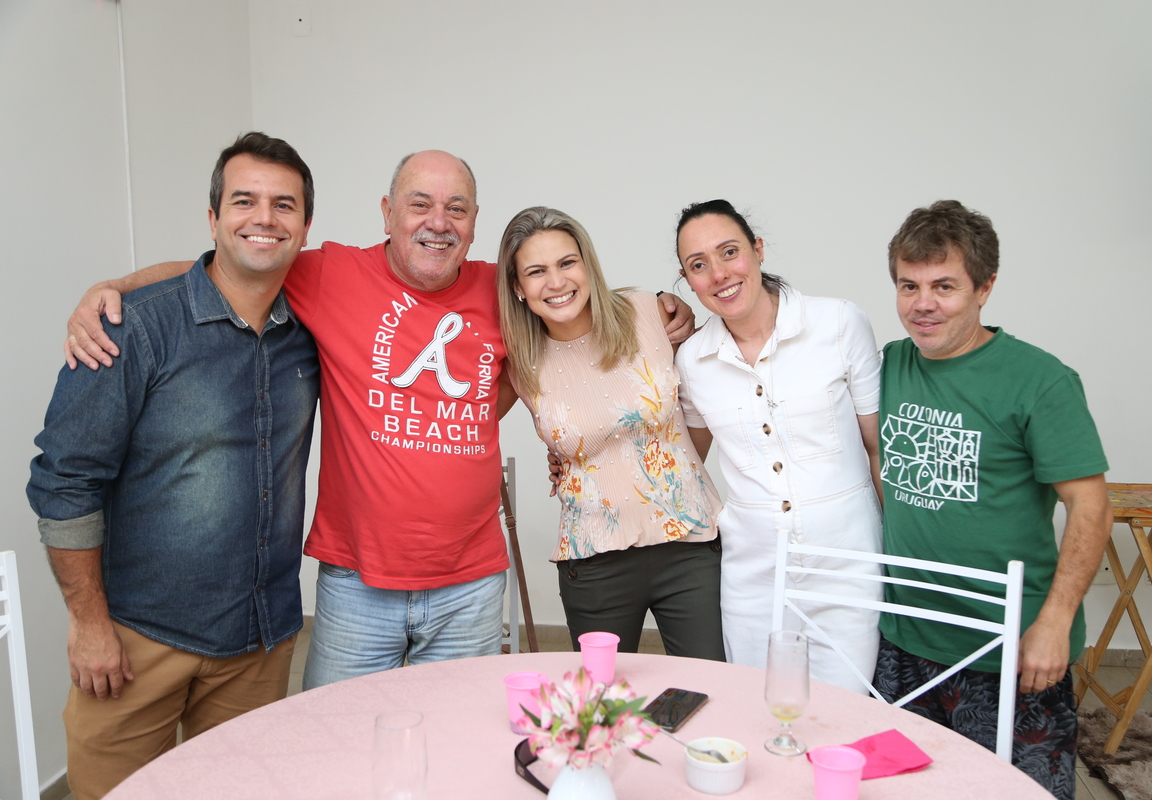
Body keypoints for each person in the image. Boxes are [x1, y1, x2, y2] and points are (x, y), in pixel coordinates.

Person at [63, 151, 695, 689]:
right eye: (420, 204)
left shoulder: (502, 292)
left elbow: (575, 308)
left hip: (471, 582)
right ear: (388, 212)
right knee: (340, 746)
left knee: (459, 745)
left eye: (456, 208)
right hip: (357, 582)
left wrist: (663, 311)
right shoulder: (330, 274)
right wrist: (113, 287)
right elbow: (223, 271)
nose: (438, 222)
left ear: (475, 222)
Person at [27, 132, 319, 800]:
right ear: (213, 218)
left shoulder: (311, 328)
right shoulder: (132, 328)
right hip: (137, 642)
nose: (264, 218)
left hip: (260, 639)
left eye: (284, 204)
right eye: (243, 201)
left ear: (306, 227)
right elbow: (65, 481)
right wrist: (89, 624)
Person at [871, 200, 1112, 800]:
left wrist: (1054, 623)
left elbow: (1091, 507)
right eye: (909, 286)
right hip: (903, 638)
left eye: (944, 286)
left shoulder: (1041, 381)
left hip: (1010, 644)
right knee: (903, 793)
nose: (922, 304)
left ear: (985, 288)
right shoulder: (887, 366)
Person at [672, 199, 884, 692]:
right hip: (753, 573)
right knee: (757, 708)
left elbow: (878, 449)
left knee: (844, 711)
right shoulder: (693, 359)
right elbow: (686, 464)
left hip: (847, 562)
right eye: (698, 265)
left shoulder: (838, 323)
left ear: (758, 250)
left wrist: (899, 551)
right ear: (687, 280)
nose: (719, 274)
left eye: (730, 252)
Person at [497, 206, 724, 658]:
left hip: (691, 544)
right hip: (594, 560)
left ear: (588, 265)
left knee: (711, 685)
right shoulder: (519, 360)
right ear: (518, 287)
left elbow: (701, 406)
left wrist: (666, 474)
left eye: (567, 263)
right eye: (536, 272)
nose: (556, 282)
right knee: (604, 695)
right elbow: (463, 428)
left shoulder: (650, 312)